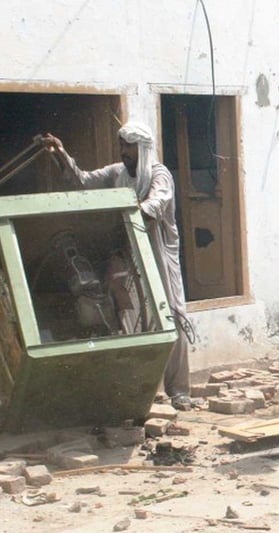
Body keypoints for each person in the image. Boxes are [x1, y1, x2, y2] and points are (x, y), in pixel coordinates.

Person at [40, 124, 193, 411]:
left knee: (171, 314)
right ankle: (141, 389)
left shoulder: (159, 174)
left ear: (143, 147)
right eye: (122, 145)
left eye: (129, 146)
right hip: (128, 251)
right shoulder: (117, 173)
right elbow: (83, 181)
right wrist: (61, 153)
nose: (124, 152)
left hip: (158, 252)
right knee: (129, 314)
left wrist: (133, 208)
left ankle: (179, 390)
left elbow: (156, 204)